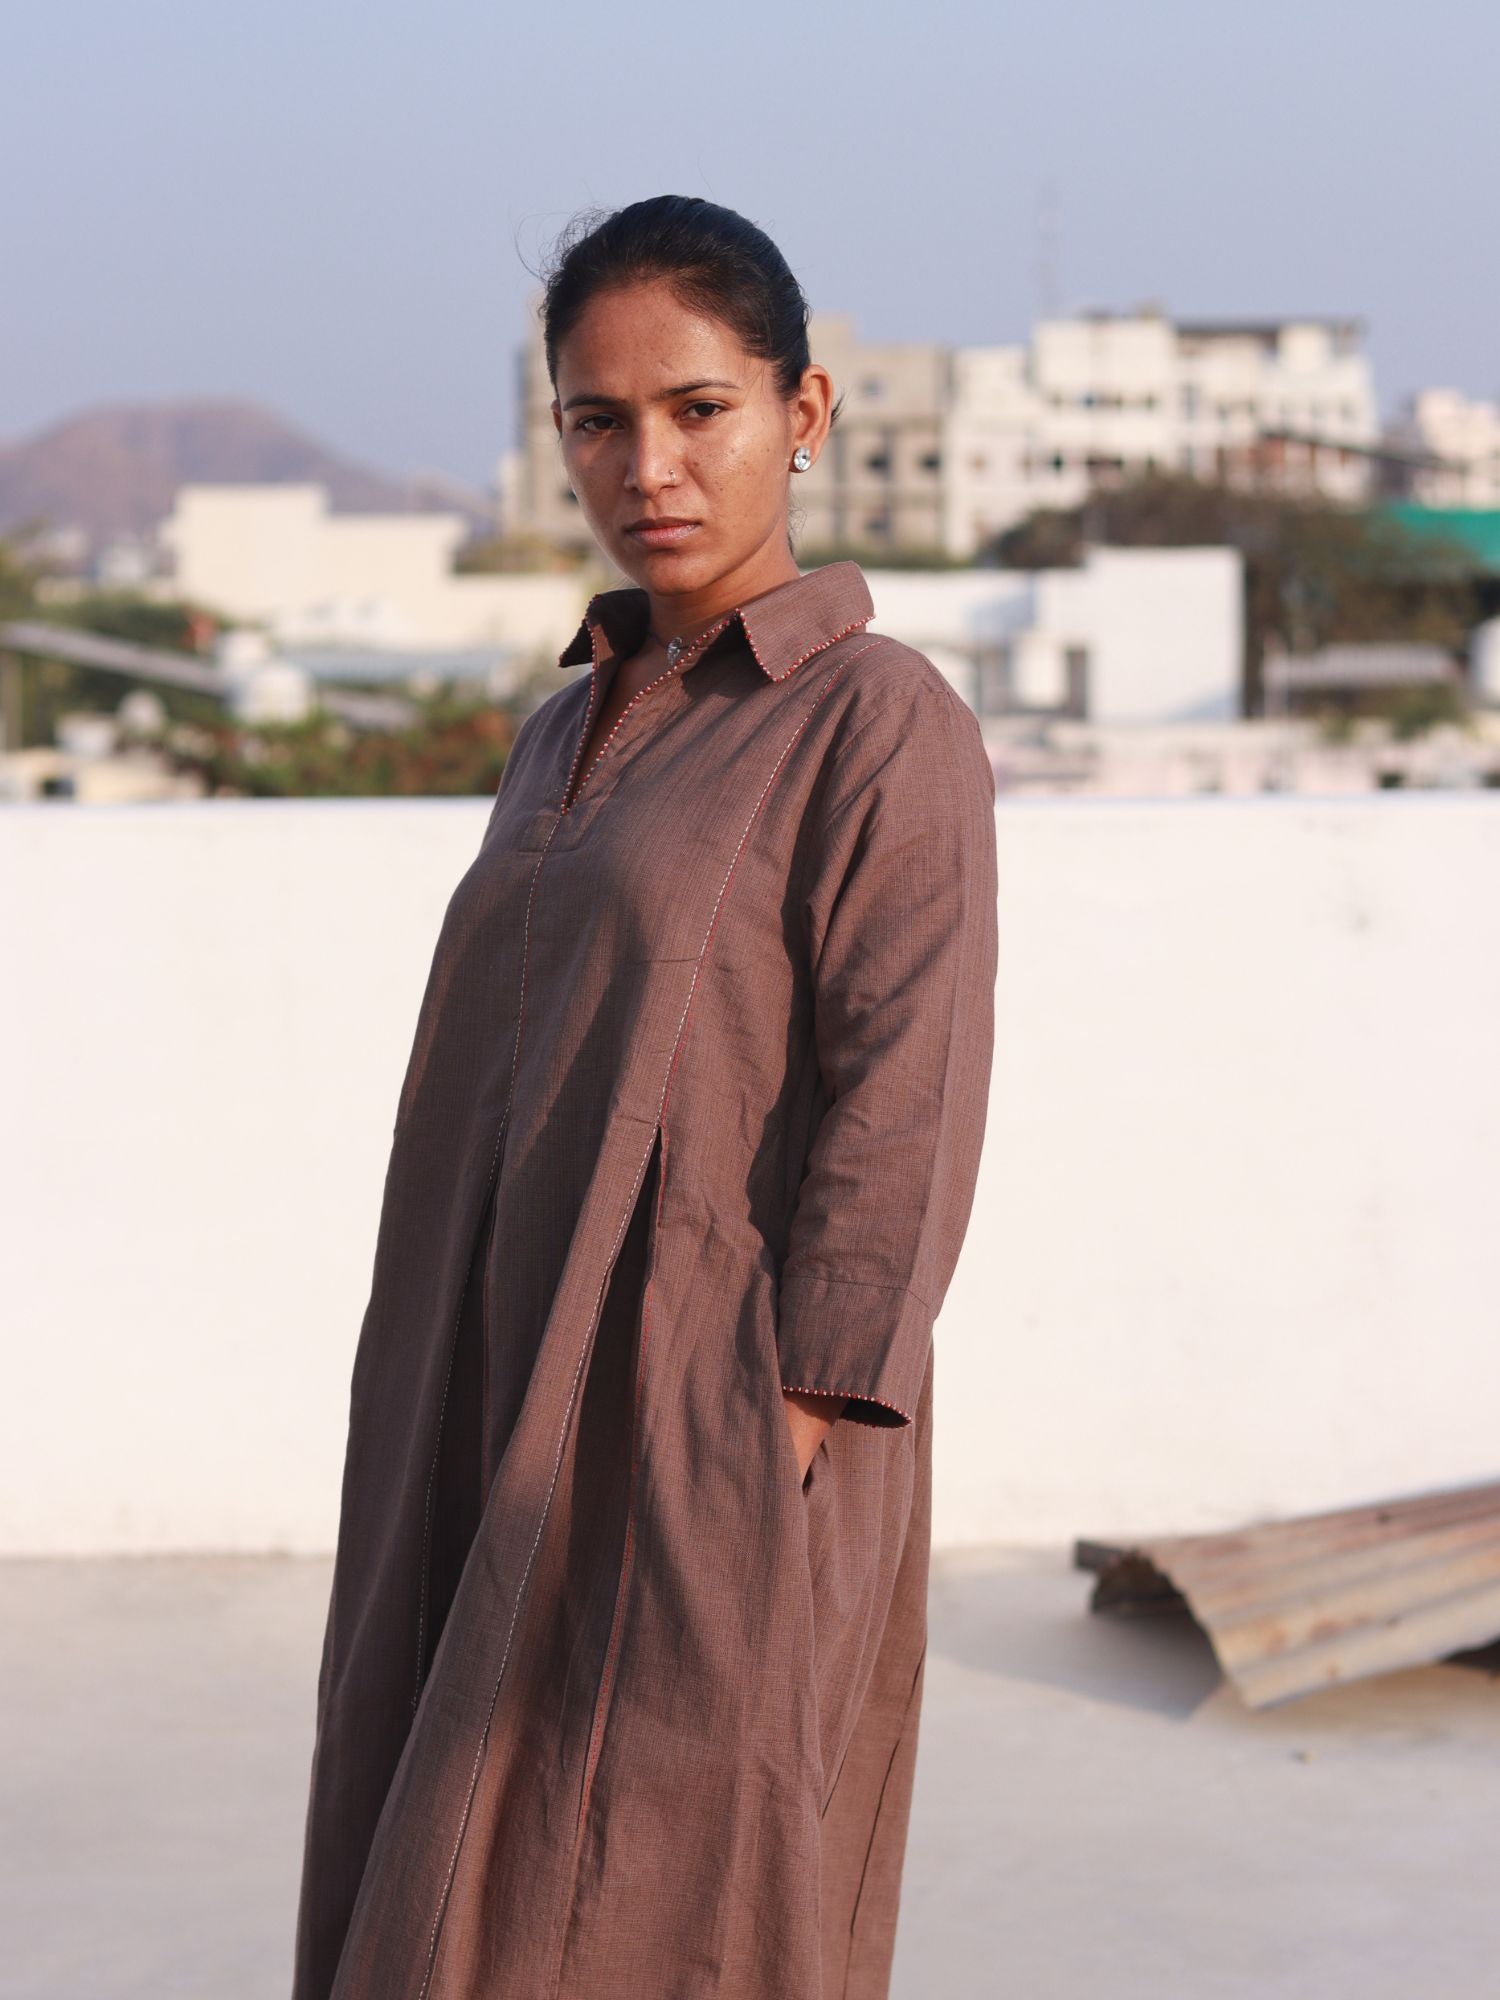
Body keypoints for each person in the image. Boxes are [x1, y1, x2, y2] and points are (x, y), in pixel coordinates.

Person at [291, 194, 998, 2000]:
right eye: (599, 421)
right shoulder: (565, 725)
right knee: (442, 1858)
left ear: (803, 412)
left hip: (703, 1415)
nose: (649, 467)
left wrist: (782, 1425)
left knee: (662, 1884)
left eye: (699, 410)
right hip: (481, 1385)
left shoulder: (875, 718)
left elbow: (906, 1096)